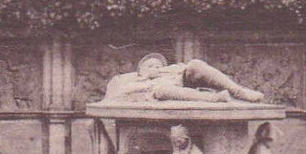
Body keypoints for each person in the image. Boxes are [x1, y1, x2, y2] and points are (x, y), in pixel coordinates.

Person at [102, 52, 265, 103]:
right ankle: (214, 98)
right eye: (150, 66)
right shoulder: (131, 79)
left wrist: (176, 71)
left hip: (182, 82)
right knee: (162, 89)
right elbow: (120, 92)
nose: (156, 68)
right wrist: (145, 80)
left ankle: (239, 91)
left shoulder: (170, 70)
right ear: (140, 70)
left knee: (195, 64)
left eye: (158, 65)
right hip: (160, 91)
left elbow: (185, 71)